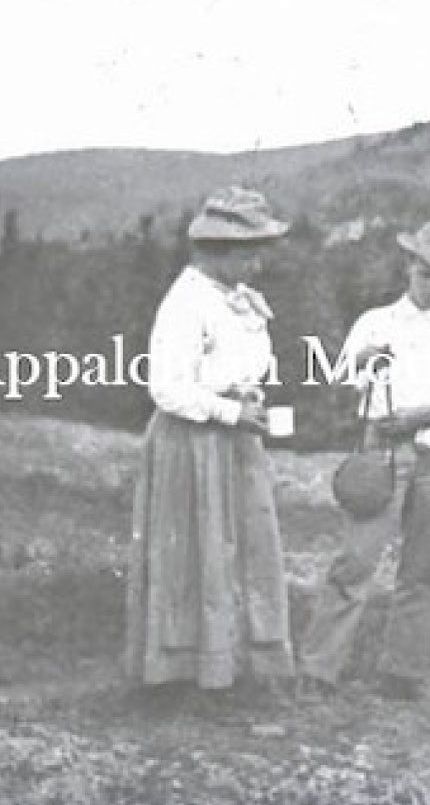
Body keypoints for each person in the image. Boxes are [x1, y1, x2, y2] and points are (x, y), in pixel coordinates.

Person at [296, 221, 430, 701]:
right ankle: (318, 670)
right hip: (381, 450)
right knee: (357, 559)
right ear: (410, 268)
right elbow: (341, 378)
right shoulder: (375, 322)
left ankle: (402, 672)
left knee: (423, 567)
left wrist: (428, 412)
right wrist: (365, 358)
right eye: (426, 274)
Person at [124, 186, 294, 696]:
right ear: (218, 251)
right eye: (249, 251)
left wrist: (250, 402)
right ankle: (188, 673)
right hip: (192, 440)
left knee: (244, 545)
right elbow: (168, 387)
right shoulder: (187, 301)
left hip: (235, 437)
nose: (258, 262)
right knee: (197, 551)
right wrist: (229, 410)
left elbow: (238, 366)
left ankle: (238, 662)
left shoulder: (236, 299)